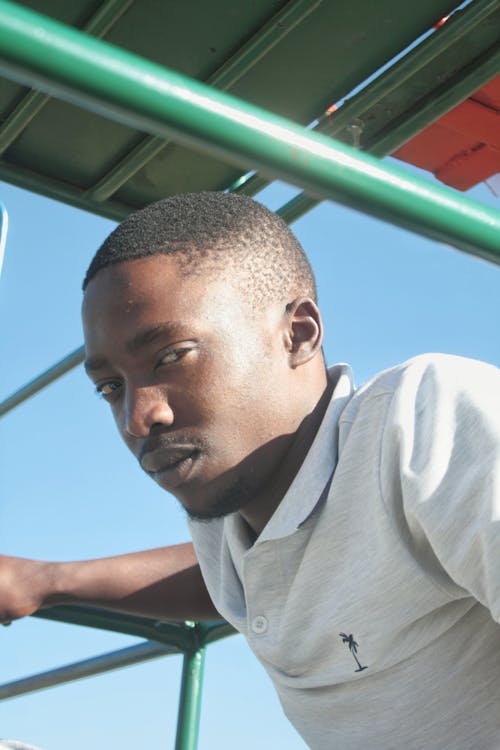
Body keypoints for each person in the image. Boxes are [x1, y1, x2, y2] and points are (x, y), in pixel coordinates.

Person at [1, 192, 500, 749]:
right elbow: (242, 574)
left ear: (299, 334)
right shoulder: (232, 525)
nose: (139, 418)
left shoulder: (426, 420)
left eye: (173, 355)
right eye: (110, 388)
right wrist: (44, 581)